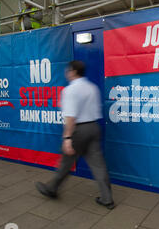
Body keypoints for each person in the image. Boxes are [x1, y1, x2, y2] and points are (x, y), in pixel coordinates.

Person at [35, 60, 114, 209]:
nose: (66, 73)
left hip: (79, 130)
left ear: (73, 72)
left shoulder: (70, 90)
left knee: (66, 162)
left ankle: (51, 189)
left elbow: (70, 117)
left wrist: (67, 138)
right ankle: (107, 198)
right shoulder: (93, 88)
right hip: (93, 127)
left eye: (68, 70)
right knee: (98, 165)